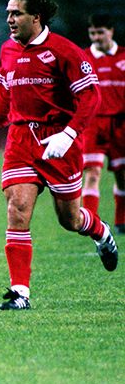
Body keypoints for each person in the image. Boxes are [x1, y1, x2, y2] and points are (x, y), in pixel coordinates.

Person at [0, 0, 118, 311]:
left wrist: (68, 135)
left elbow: (91, 96)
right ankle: (20, 292)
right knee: (17, 208)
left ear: (36, 16)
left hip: (58, 141)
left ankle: (100, 232)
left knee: (70, 220)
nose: (9, 19)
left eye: (16, 13)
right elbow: (5, 95)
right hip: (21, 139)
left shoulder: (65, 51)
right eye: (8, 13)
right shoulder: (7, 50)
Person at [81, 14, 125, 232]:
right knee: (92, 173)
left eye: (100, 32)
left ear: (111, 31)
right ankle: (92, 224)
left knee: (122, 175)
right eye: (92, 33)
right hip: (93, 124)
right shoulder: (83, 59)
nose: (96, 37)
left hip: (121, 124)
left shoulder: (124, 57)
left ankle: (121, 220)